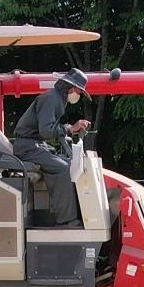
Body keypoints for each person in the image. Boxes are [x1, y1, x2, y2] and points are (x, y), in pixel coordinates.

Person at [11, 67, 92, 226]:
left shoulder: (57, 98)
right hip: (27, 147)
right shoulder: (51, 99)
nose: (79, 94)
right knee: (63, 169)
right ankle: (67, 221)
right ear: (70, 86)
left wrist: (69, 128)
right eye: (79, 90)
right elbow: (46, 130)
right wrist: (70, 128)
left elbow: (47, 129)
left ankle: (68, 213)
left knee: (67, 163)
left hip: (35, 144)